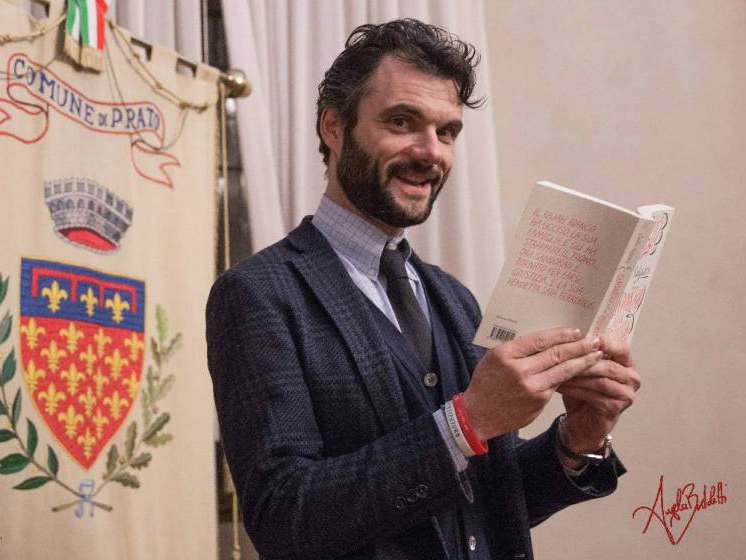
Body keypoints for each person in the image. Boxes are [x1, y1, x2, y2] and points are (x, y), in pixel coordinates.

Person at [206, 18, 640, 560]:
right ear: (334, 128)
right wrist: (466, 422)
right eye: (402, 121)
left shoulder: (454, 298)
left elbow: (488, 504)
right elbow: (283, 519)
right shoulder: (257, 294)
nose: (431, 151)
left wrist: (578, 439)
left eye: (447, 131)